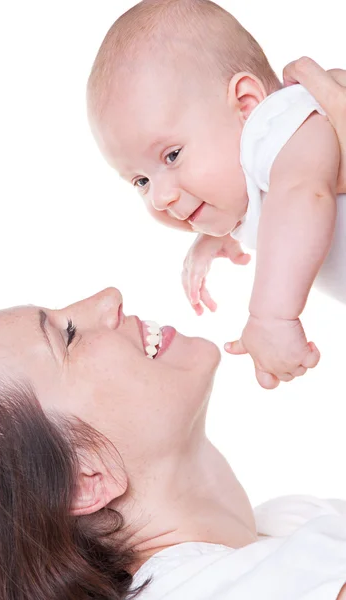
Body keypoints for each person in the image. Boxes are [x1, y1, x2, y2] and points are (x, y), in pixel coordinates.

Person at [0, 286, 346, 599]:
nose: (109, 297)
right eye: (68, 336)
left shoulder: (290, 525)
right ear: (85, 477)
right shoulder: (235, 589)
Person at [86, 0, 346, 390]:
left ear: (246, 106)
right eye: (141, 181)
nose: (159, 198)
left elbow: (303, 195)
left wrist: (271, 316)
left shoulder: (279, 126)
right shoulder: (264, 163)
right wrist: (221, 232)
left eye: (171, 155)